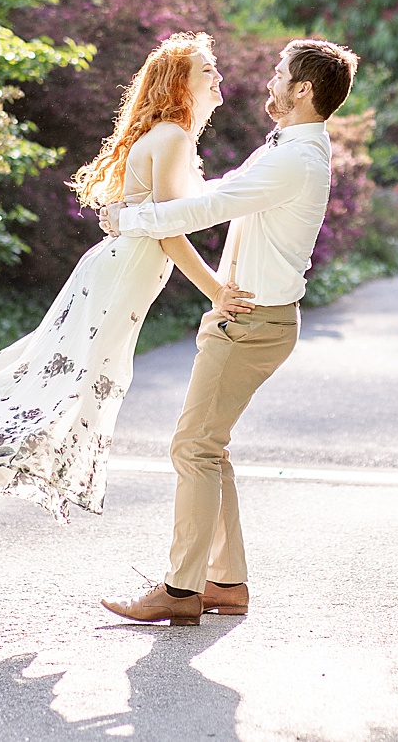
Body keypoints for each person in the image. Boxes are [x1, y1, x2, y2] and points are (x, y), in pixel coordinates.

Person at [0, 32, 254, 518]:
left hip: (117, 274)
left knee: (43, 370)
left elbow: (190, 204)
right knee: (61, 386)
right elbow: (169, 231)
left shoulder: (174, 140)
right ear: (178, 84)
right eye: (206, 69)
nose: (218, 76)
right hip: (121, 277)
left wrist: (250, 180)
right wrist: (216, 291)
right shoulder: (171, 137)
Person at [96, 37, 358, 625]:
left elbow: (208, 209)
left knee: (192, 448)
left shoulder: (296, 157)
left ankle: (181, 591)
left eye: (279, 73)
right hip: (247, 317)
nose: (269, 81)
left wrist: (127, 218)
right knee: (210, 451)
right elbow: (215, 194)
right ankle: (225, 583)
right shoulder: (288, 148)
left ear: (303, 90)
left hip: (252, 322)